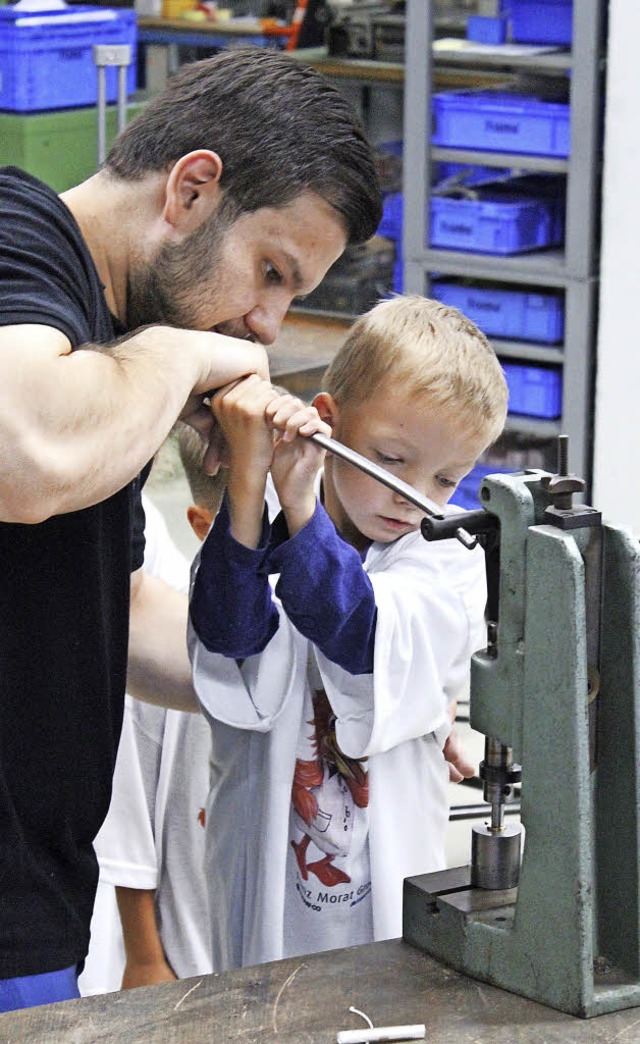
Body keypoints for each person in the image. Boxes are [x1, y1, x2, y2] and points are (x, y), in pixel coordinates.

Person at [0, 46, 381, 1011]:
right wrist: (178, 351)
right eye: (270, 272)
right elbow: (23, 451)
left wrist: (330, 688)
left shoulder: (111, 355)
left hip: (34, 905)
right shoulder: (16, 237)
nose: (265, 327)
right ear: (193, 189)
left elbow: (113, 613)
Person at [187, 294, 508, 970]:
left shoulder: (447, 563)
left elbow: (358, 630)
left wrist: (303, 506)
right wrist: (252, 479)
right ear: (327, 425)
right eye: (391, 458)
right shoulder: (265, 525)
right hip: (260, 888)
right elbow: (228, 637)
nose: (411, 494)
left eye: (447, 478)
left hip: (385, 902)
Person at [83, 439, 225, 995]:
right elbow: (127, 787)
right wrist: (144, 951)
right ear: (201, 523)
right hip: (186, 950)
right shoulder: (165, 617)